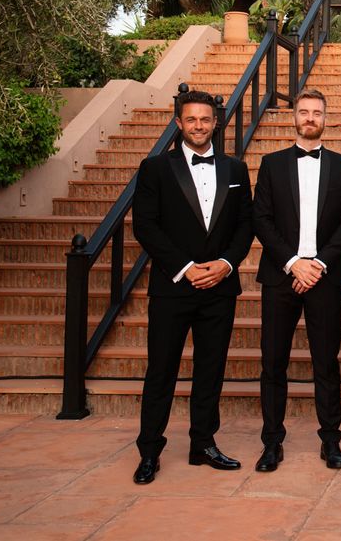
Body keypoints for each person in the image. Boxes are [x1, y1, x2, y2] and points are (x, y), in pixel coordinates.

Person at [131, 89, 253, 485]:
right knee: (161, 371)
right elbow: (146, 226)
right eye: (191, 120)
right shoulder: (154, 169)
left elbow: (244, 226)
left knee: (210, 370)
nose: (199, 126)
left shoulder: (236, 169)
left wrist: (224, 263)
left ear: (216, 123)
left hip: (219, 286)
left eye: (205, 119)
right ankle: (149, 450)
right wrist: (185, 268)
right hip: (173, 287)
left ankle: (203, 443)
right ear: (179, 123)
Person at [252, 88, 341, 471]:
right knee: (273, 363)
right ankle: (271, 443)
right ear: (293, 117)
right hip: (281, 276)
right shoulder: (271, 163)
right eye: (304, 111)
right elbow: (261, 219)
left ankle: (331, 441)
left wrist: (317, 265)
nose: (310, 117)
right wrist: (294, 262)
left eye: (317, 112)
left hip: (325, 277)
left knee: (326, 363)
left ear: (325, 118)